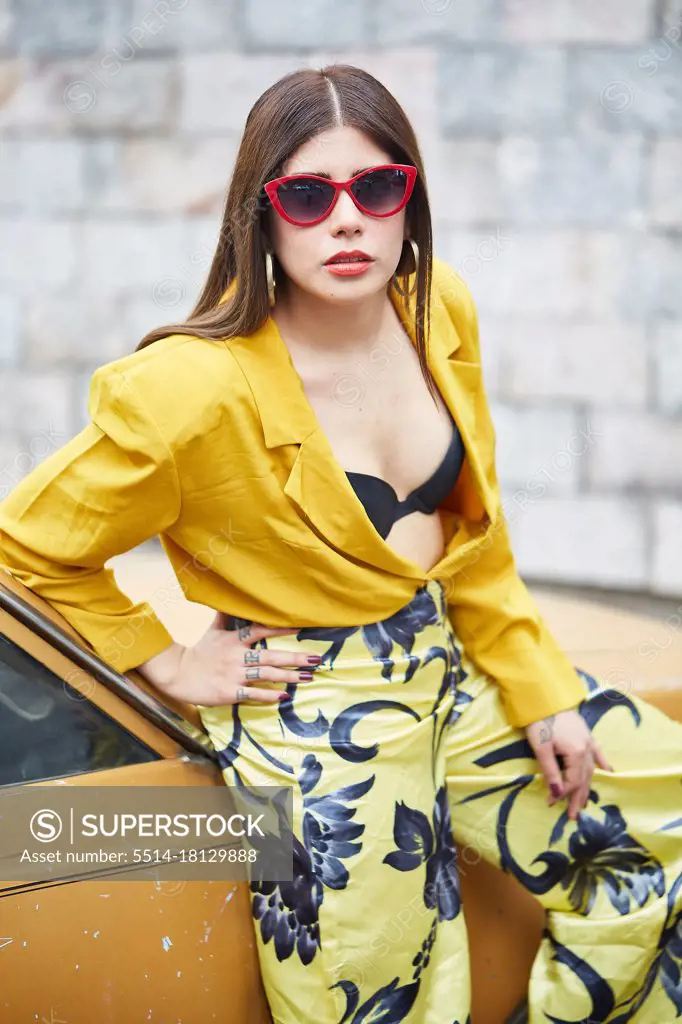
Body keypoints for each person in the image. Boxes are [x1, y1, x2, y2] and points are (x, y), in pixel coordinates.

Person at [0, 63, 680, 1024]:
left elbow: (473, 542)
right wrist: (168, 660)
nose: (348, 220)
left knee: (660, 825)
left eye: (377, 188)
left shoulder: (437, 308)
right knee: (387, 1002)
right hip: (319, 722)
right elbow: (28, 546)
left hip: (449, 668)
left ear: (410, 198)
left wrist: (540, 690)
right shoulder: (190, 390)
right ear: (261, 215)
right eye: (309, 195)